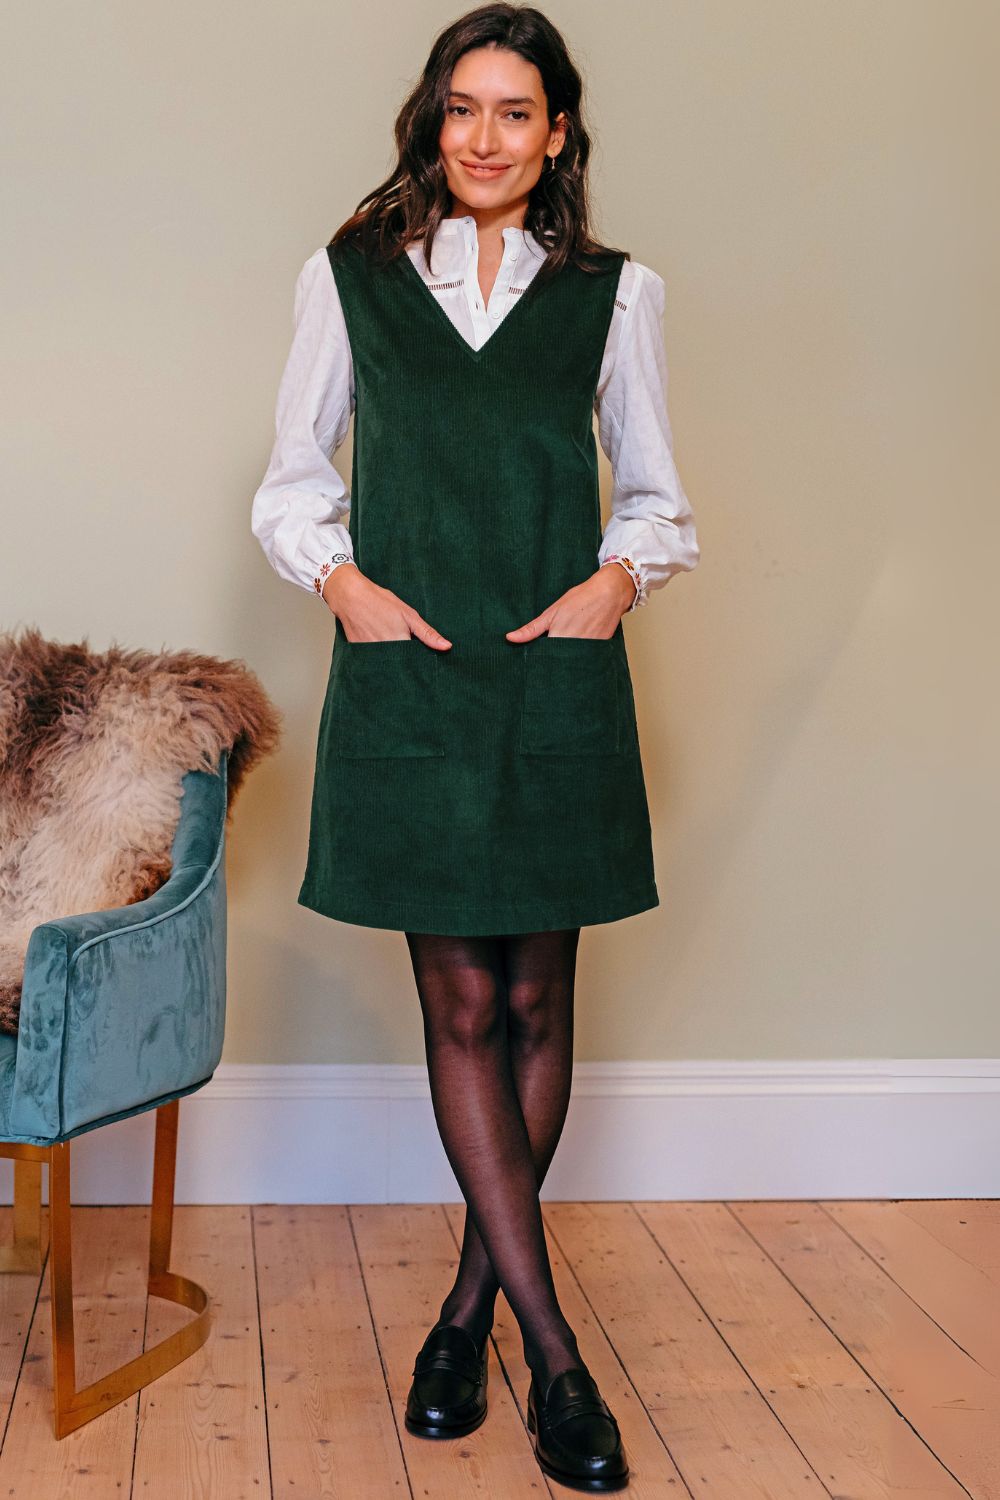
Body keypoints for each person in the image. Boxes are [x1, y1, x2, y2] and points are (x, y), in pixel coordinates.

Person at [251, 4, 699, 1490]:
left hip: (556, 675)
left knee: (533, 998)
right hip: (413, 679)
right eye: (463, 108)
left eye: (517, 112)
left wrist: (612, 585)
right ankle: (555, 1361)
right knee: (461, 1006)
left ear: (558, 131)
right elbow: (290, 482)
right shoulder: (352, 281)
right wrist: (347, 588)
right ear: (431, 121)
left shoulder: (616, 297)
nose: (487, 137)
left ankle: (462, 1315)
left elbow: (656, 495)